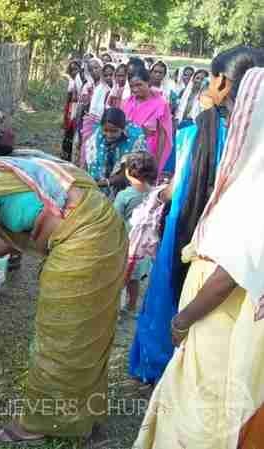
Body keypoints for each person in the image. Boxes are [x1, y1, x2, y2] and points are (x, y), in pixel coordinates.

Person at [0, 119, 127, 444]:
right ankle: (88, 421)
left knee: (59, 335)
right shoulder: (18, 162)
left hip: (84, 242)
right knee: (88, 333)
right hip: (106, 231)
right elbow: (12, 235)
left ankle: (36, 424)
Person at [133, 66, 264, 449]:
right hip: (224, 319)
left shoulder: (257, 183)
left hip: (220, 322)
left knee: (204, 413)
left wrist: (183, 318)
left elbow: (232, 271)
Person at [113, 152, 157, 311]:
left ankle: (114, 309)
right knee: (134, 279)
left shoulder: (124, 196)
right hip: (145, 247)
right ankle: (131, 306)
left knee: (119, 279)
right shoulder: (156, 193)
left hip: (126, 245)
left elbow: (115, 219)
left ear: (128, 173)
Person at [85, 108, 147, 198]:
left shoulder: (134, 140)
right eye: (105, 130)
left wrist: (104, 183)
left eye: (114, 131)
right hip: (102, 183)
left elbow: (126, 174)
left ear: (123, 128)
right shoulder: (97, 136)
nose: (109, 135)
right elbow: (91, 164)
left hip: (126, 187)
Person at [122, 66, 173, 173]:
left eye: (139, 85)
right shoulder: (127, 102)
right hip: (126, 150)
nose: (135, 89)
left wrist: (157, 162)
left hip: (148, 152)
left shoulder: (161, 104)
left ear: (148, 82)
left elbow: (163, 135)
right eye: (132, 86)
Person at [78, 63, 115, 167]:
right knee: (89, 148)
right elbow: (94, 109)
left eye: (111, 75)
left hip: (108, 125)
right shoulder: (100, 88)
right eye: (106, 75)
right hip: (94, 122)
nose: (109, 78)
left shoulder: (115, 90)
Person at [61, 60, 81, 161]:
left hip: (78, 109)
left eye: (76, 69)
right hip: (70, 108)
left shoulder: (83, 82)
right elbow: (68, 99)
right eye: (72, 70)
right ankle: (66, 155)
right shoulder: (71, 82)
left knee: (74, 132)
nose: (74, 72)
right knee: (68, 131)